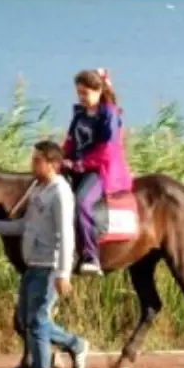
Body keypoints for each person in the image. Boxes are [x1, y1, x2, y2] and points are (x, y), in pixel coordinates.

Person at [0, 140, 90, 368]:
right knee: (28, 319)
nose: (32, 164)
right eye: (33, 159)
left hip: (49, 266)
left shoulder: (60, 193)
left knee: (38, 320)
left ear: (53, 164)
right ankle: (74, 344)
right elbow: (24, 225)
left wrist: (63, 273)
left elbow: (66, 235)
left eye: (37, 160)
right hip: (33, 264)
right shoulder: (38, 189)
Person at [61, 68, 134, 276]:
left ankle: (90, 256)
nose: (81, 98)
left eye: (85, 93)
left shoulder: (108, 115)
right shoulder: (79, 115)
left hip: (100, 171)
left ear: (99, 90)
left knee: (83, 201)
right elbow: (68, 143)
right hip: (77, 167)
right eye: (79, 93)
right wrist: (58, 159)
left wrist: (80, 165)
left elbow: (107, 152)